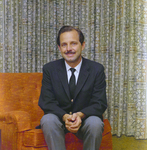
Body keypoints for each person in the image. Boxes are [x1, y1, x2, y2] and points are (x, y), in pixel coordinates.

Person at [38, 25, 107, 150]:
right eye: (64, 45)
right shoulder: (50, 69)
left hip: (85, 120)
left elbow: (99, 103)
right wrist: (65, 117)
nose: (68, 49)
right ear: (59, 48)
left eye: (73, 43)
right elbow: (46, 101)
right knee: (47, 119)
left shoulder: (96, 69)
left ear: (83, 45)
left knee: (95, 123)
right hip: (59, 119)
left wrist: (80, 115)